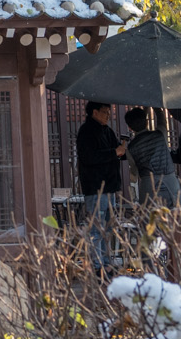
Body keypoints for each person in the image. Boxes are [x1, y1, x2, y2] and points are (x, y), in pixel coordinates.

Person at [75, 101, 125, 271]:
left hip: (110, 186)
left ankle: (106, 264)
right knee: (97, 229)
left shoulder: (107, 130)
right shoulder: (86, 131)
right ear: (94, 112)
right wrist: (114, 152)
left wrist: (121, 151)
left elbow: (117, 150)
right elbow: (89, 157)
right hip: (96, 187)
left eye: (109, 112)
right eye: (105, 112)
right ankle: (97, 267)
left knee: (108, 229)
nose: (108, 115)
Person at [124, 107, 180, 206]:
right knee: (175, 217)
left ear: (130, 127)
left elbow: (134, 173)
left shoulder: (130, 148)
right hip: (170, 182)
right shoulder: (160, 134)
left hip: (148, 185)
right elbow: (162, 119)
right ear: (147, 122)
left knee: (149, 218)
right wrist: (154, 106)